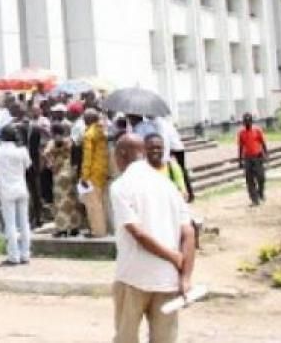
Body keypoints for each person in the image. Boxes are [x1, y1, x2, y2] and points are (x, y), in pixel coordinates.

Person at [110, 135, 195, 343]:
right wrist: (185, 277)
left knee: (126, 337)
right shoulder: (167, 185)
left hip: (133, 276)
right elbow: (189, 233)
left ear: (122, 154)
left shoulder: (121, 186)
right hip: (167, 279)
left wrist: (173, 256)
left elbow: (137, 233)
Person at [0, 126, 32, 265]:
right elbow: (28, 165)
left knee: (10, 224)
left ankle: (13, 255)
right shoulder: (22, 150)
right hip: (21, 187)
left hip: (7, 189)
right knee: (24, 223)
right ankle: (25, 254)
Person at [44, 124, 81, 237]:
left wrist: (52, 166)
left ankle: (62, 228)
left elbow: (46, 155)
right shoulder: (70, 141)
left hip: (59, 174)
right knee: (72, 200)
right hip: (71, 172)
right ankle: (74, 227)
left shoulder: (52, 143)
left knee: (61, 202)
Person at [80, 109, 109, 237]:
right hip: (103, 170)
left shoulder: (89, 134)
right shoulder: (102, 131)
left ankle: (97, 231)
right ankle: (102, 229)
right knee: (100, 202)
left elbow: (87, 157)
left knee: (93, 204)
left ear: (88, 119)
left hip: (93, 172)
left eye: (84, 118)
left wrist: (84, 176)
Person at [237, 113, 268, 207]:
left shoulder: (257, 130)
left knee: (261, 177)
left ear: (251, 121)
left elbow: (263, 142)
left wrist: (266, 154)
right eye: (245, 121)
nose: (247, 123)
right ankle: (254, 200)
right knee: (249, 180)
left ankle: (260, 193)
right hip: (247, 158)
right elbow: (240, 147)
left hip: (258, 157)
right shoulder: (241, 133)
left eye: (248, 121)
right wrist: (240, 160)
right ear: (243, 122)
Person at [144, 135, 188, 199]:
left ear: (164, 149)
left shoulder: (172, 167)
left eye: (158, 147)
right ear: (144, 149)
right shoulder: (141, 171)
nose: (155, 150)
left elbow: (183, 193)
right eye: (151, 148)